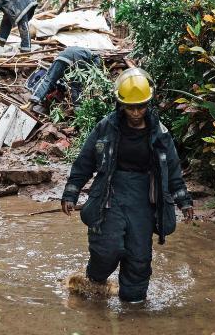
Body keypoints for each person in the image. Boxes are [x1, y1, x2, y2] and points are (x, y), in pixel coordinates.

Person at [61, 67, 194, 303]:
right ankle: (94, 283)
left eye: (141, 106)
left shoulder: (160, 135)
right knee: (106, 249)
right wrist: (71, 192)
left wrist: (184, 201)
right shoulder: (106, 128)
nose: (135, 112)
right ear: (120, 104)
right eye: (130, 106)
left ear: (149, 103)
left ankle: (133, 308)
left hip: (144, 199)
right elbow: (85, 161)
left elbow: (172, 170)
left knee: (139, 258)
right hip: (109, 195)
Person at [22, 46, 101, 112]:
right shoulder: (94, 58)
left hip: (61, 57)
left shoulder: (82, 50)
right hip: (76, 59)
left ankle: (32, 102)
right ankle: (78, 109)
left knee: (48, 80)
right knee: (76, 85)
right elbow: (89, 74)